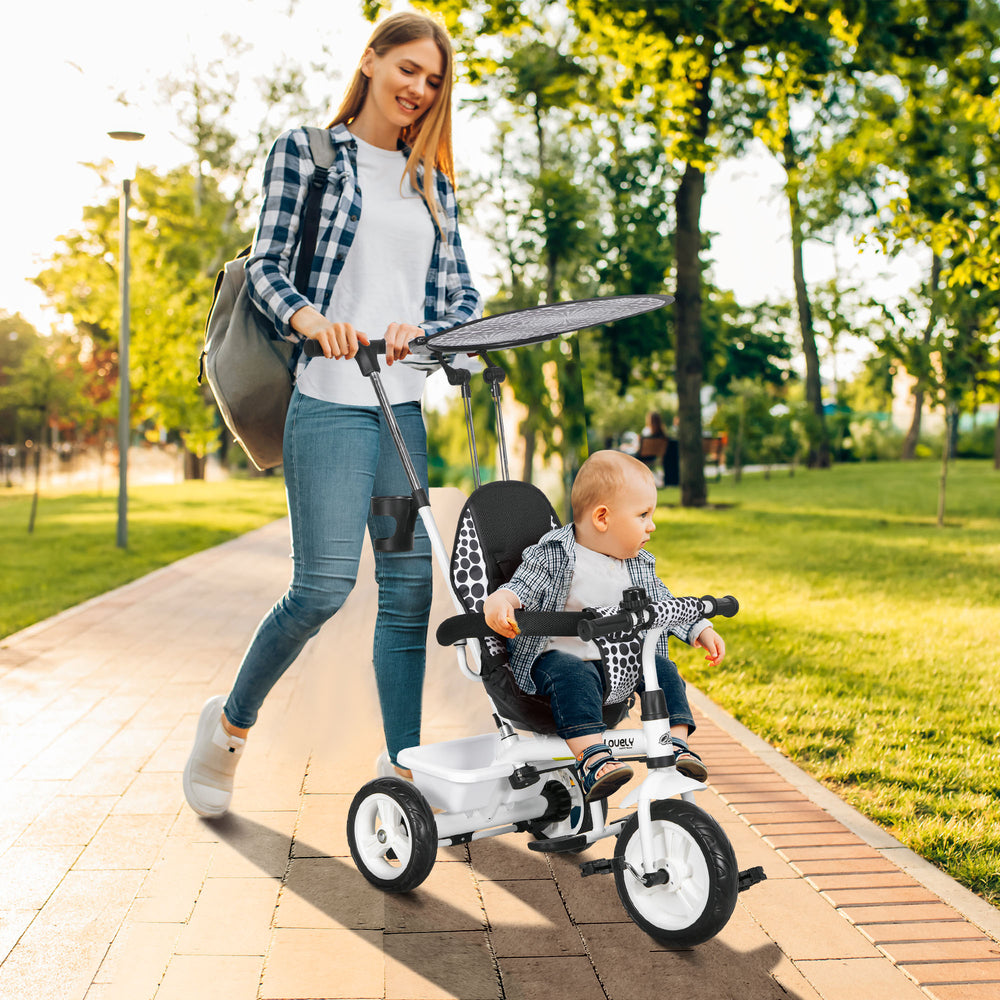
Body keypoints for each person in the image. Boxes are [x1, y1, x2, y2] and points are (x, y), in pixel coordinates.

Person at [183, 10, 481, 818]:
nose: (419, 89)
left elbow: (462, 296)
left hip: (400, 415)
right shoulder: (308, 154)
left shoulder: (433, 184)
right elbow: (267, 265)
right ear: (371, 60)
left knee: (408, 594)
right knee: (320, 588)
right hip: (328, 404)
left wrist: (430, 331)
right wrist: (313, 320)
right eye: (408, 68)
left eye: (433, 80)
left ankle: (403, 767)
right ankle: (229, 728)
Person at [483, 451, 725, 802]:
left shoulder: (636, 564)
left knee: (663, 670)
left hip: (619, 665)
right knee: (572, 673)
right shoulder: (554, 555)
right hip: (559, 661)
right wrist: (501, 601)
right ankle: (592, 757)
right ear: (602, 518)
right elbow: (522, 586)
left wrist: (698, 628)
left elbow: (664, 602)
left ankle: (676, 745)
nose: (652, 526)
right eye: (643, 515)